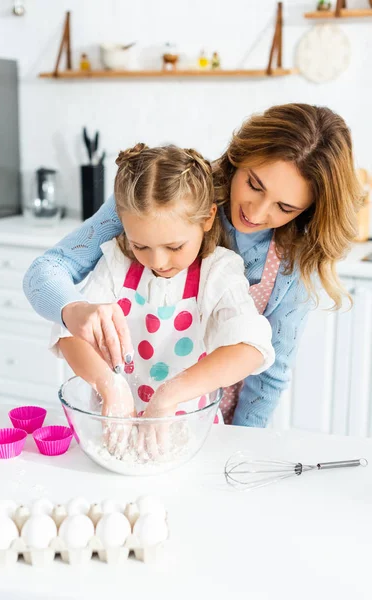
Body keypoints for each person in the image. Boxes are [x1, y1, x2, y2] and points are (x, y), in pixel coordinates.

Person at [24, 103, 364, 427]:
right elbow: (47, 269)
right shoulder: (161, 198)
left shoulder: (292, 257)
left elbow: (269, 373)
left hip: (209, 414)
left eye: (285, 207)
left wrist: (238, 444)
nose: (257, 213)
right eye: (253, 184)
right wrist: (73, 310)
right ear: (239, 155)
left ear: (308, 210)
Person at [49, 144, 274, 421]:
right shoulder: (117, 263)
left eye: (175, 247)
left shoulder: (217, 272)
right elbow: (70, 335)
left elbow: (250, 348)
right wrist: (110, 387)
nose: (158, 261)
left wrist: (169, 395)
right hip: (118, 425)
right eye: (140, 246)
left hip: (190, 429)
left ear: (207, 218)